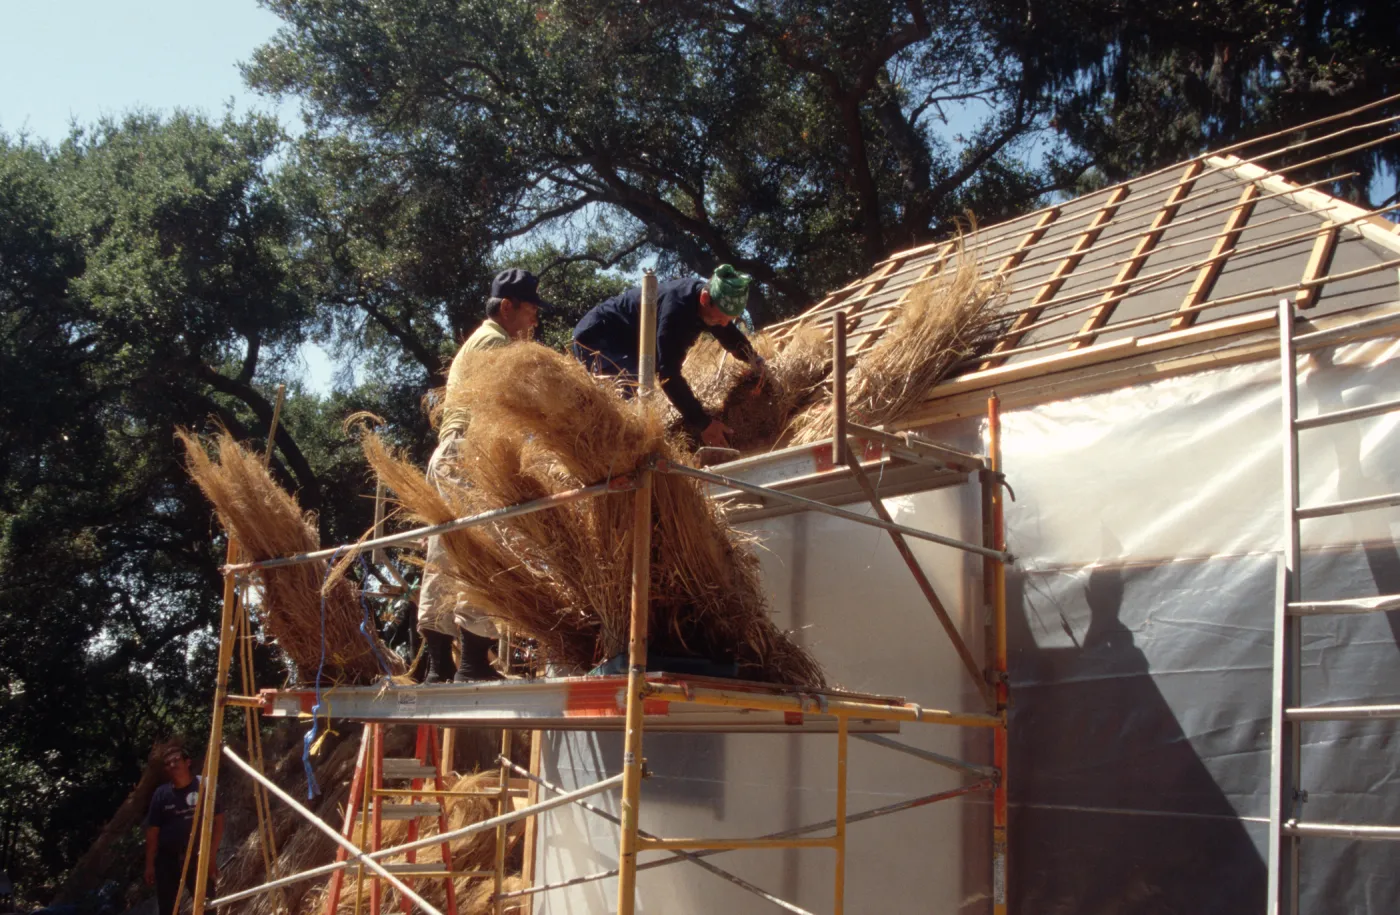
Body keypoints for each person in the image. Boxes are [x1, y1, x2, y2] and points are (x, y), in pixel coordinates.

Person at [418, 268, 550, 683]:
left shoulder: (478, 341)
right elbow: (526, 399)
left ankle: (439, 666)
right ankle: (473, 661)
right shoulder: (497, 343)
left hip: (450, 451)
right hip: (469, 453)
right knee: (486, 544)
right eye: (530, 311)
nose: (534, 321)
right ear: (507, 307)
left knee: (445, 553)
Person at [571, 265, 765, 448]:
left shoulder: (708, 307)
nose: (723, 324)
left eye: (728, 320)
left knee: (637, 382)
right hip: (597, 336)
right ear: (705, 298)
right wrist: (703, 423)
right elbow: (667, 374)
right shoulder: (677, 311)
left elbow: (728, 334)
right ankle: (622, 452)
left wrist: (754, 359)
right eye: (721, 318)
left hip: (628, 342)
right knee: (630, 390)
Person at [143, 744, 223, 915]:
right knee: (168, 908)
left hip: (197, 857)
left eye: (176, 760)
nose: (172, 765)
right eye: (168, 763)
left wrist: (211, 856)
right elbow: (152, 832)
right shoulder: (161, 794)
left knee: (206, 904)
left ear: (188, 762)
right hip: (168, 860)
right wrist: (149, 864)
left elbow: (219, 822)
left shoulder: (204, 786)